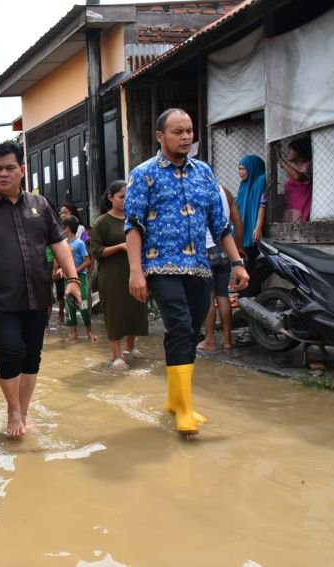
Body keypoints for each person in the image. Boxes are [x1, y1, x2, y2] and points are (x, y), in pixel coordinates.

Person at [124, 108, 249, 436]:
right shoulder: (144, 173)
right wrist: (136, 271)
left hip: (200, 266)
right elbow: (133, 224)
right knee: (179, 327)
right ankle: (185, 408)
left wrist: (237, 262)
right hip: (160, 266)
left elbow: (218, 224)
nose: (185, 137)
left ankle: (173, 399)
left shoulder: (204, 173)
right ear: (160, 136)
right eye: (177, 132)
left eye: (189, 131)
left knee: (191, 332)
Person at [0, 142, 82, 437]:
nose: (3, 174)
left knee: (32, 355)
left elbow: (58, 242)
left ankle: (24, 410)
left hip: (37, 295)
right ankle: (12, 409)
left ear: (22, 170)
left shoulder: (40, 205)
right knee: (9, 351)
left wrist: (73, 280)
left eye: (10, 168)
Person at [89, 180, 148, 369]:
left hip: (135, 272)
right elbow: (97, 251)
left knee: (135, 309)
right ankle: (116, 356)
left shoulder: (135, 219)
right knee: (115, 313)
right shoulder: (102, 222)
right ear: (111, 198)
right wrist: (121, 247)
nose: (125, 201)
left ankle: (131, 347)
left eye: (128, 197)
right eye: (122, 197)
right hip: (112, 275)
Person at [198, 185, 243, 351]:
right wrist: (237, 249)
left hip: (206, 249)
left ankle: (209, 341)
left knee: (208, 298)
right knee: (223, 294)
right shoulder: (226, 192)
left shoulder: (197, 189)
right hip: (225, 248)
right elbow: (238, 222)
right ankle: (227, 340)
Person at [59, 216, 96, 342]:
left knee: (84, 304)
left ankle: (89, 332)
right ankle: (73, 333)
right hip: (67, 279)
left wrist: (74, 271)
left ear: (67, 229)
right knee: (69, 306)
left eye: (62, 228)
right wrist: (60, 270)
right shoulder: (62, 245)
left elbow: (87, 261)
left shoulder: (79, 243)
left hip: (81, 278)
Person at [234, 155, 266, 264]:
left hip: (253, 234)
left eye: (243, 169)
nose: (240, 172)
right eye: (239, 169)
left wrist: (258, 227)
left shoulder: (261, 180)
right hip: (241, 234)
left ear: (253, 168)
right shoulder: (244, 185)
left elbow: (262, 204)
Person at [280, 137, 312, 223]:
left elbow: (298, 177)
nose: (288, 153)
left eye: (291, 150)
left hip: (301, 207)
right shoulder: (299, 168)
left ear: (299, 151)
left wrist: (281, 160)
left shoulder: (308, 166)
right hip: (292, 206)